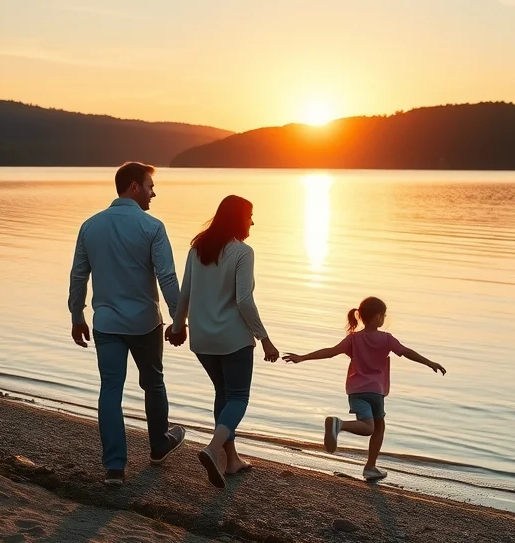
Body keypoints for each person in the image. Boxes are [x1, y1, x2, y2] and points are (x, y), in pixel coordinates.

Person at [68, 162, 186, 487]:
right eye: (150, 186)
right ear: (134, 187)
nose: (153, 192)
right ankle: (159, 446)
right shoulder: (152, 227)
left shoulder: (90, 226)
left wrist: (76, 314)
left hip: (106, 323)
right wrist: (179, 320)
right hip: (145, 324)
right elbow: (167, 278)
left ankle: (114, 469)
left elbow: (79, 275)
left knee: (110, 390)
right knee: (154, 383)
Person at [167, 195, 279, 489]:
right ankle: (213, 449)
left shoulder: (198, 249)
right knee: (239, 397)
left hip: (203, 339)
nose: (252, 221)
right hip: (233, 338)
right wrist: (264, 338)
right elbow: (244, 299)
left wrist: (178, 327)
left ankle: (232, 461)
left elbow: (185, 293)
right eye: (249, 215)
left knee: (223, 393)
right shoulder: (243, 253)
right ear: (236, 218)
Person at [282, 297, 445, 481]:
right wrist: (429, 362)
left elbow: (331, 351)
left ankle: (370, 467)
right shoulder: (386, 339)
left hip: (356, 390)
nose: (384, 318)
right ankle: (342, 428)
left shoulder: (353, 338)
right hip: (376, 391)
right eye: (383, 315)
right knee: (372, 428)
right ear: (377, 317)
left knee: (377, 426)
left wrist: (303, 357)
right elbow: (406, 352)